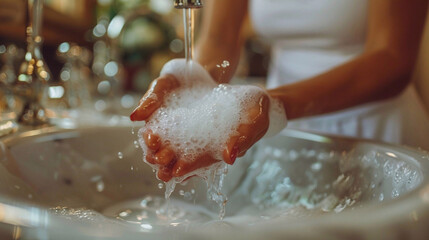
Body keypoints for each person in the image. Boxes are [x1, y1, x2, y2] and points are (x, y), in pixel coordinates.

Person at [131, 0, 429, 182]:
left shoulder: (271, 108)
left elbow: (393, 58)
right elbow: (219, 39)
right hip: (275, 130)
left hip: (374, 130)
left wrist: (276, 106)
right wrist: (194, 77)